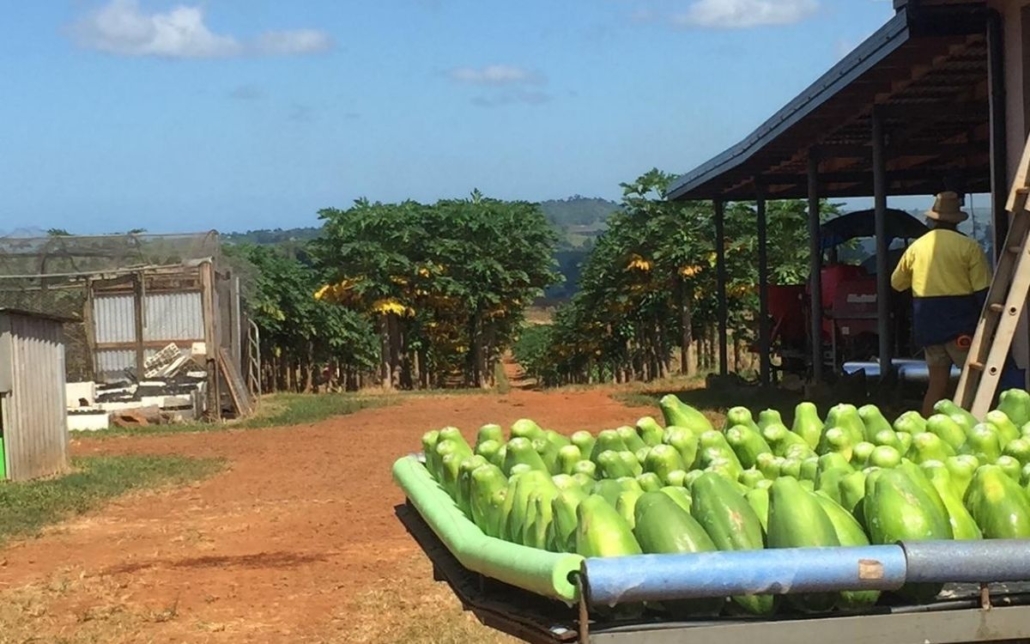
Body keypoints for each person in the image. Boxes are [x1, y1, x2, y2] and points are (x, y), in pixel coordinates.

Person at [890, 191, 991, 417]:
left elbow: (897, 283)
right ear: (956, 221)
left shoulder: (916, 247)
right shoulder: (969, 247)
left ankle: (927, 427)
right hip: (961, 326)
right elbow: (983, 291)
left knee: (936, 385)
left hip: (928, 326)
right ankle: (973, 423)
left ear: (932, 220)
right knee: (972, 382)